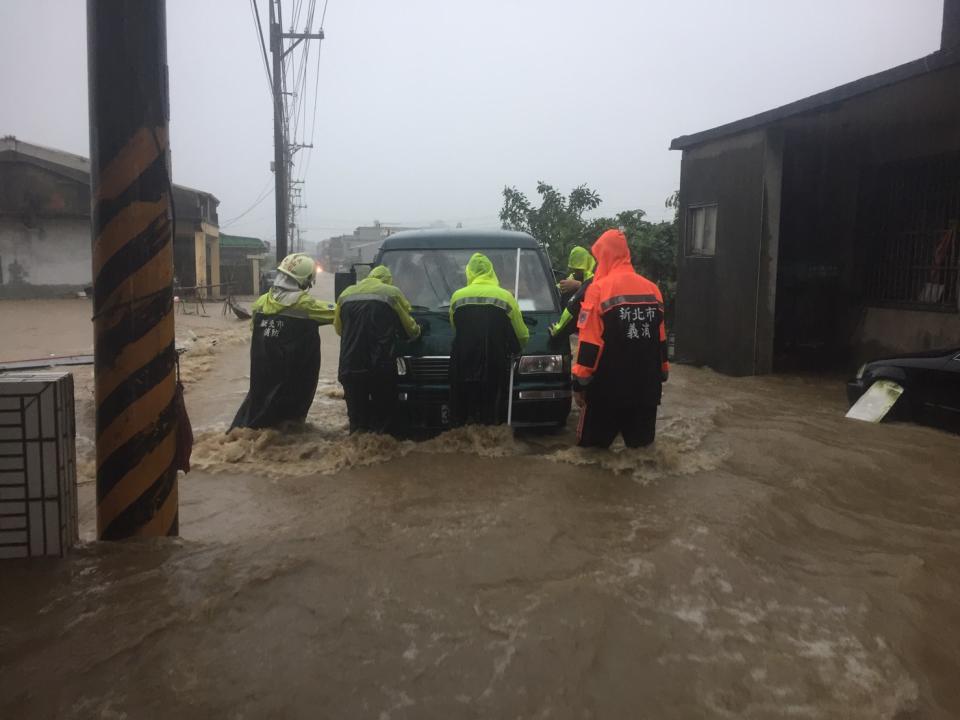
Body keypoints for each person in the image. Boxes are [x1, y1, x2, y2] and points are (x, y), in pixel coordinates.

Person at [571, 229, 669, 449]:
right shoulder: (653, 290)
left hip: (607, 392)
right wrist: (663, 370)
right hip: (647, 390)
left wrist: (579, 383)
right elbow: (660, 339)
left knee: (590, 458)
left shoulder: (598, 290)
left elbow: (590, 344)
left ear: (605, 256)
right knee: (641, 454)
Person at [230, 253, 335, 430]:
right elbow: (338, 313)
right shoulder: (304, 304)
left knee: (259, 415)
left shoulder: (262, 302)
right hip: (293, 381)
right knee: (288, 424)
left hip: (262, 376)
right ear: (304, 280)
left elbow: (254, 329)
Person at [334, 265, 421, 434]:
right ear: (388, 280)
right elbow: (410, 327)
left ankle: (355, 452)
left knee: (357, 420)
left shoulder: (345, 295)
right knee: (384, 421)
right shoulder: (391, 293)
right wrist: (418, 331)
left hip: (349, 367)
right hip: (379, 367)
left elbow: (339, 329)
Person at [448, 252, 529, 426]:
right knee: (491, 412)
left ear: (469, 272)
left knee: (465, 413)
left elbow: (455, 327)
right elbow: (521, 334)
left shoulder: (457, 297)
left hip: (464, 364)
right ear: (491, 271)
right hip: (495, 363)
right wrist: (518, 349)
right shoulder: (506, 297)